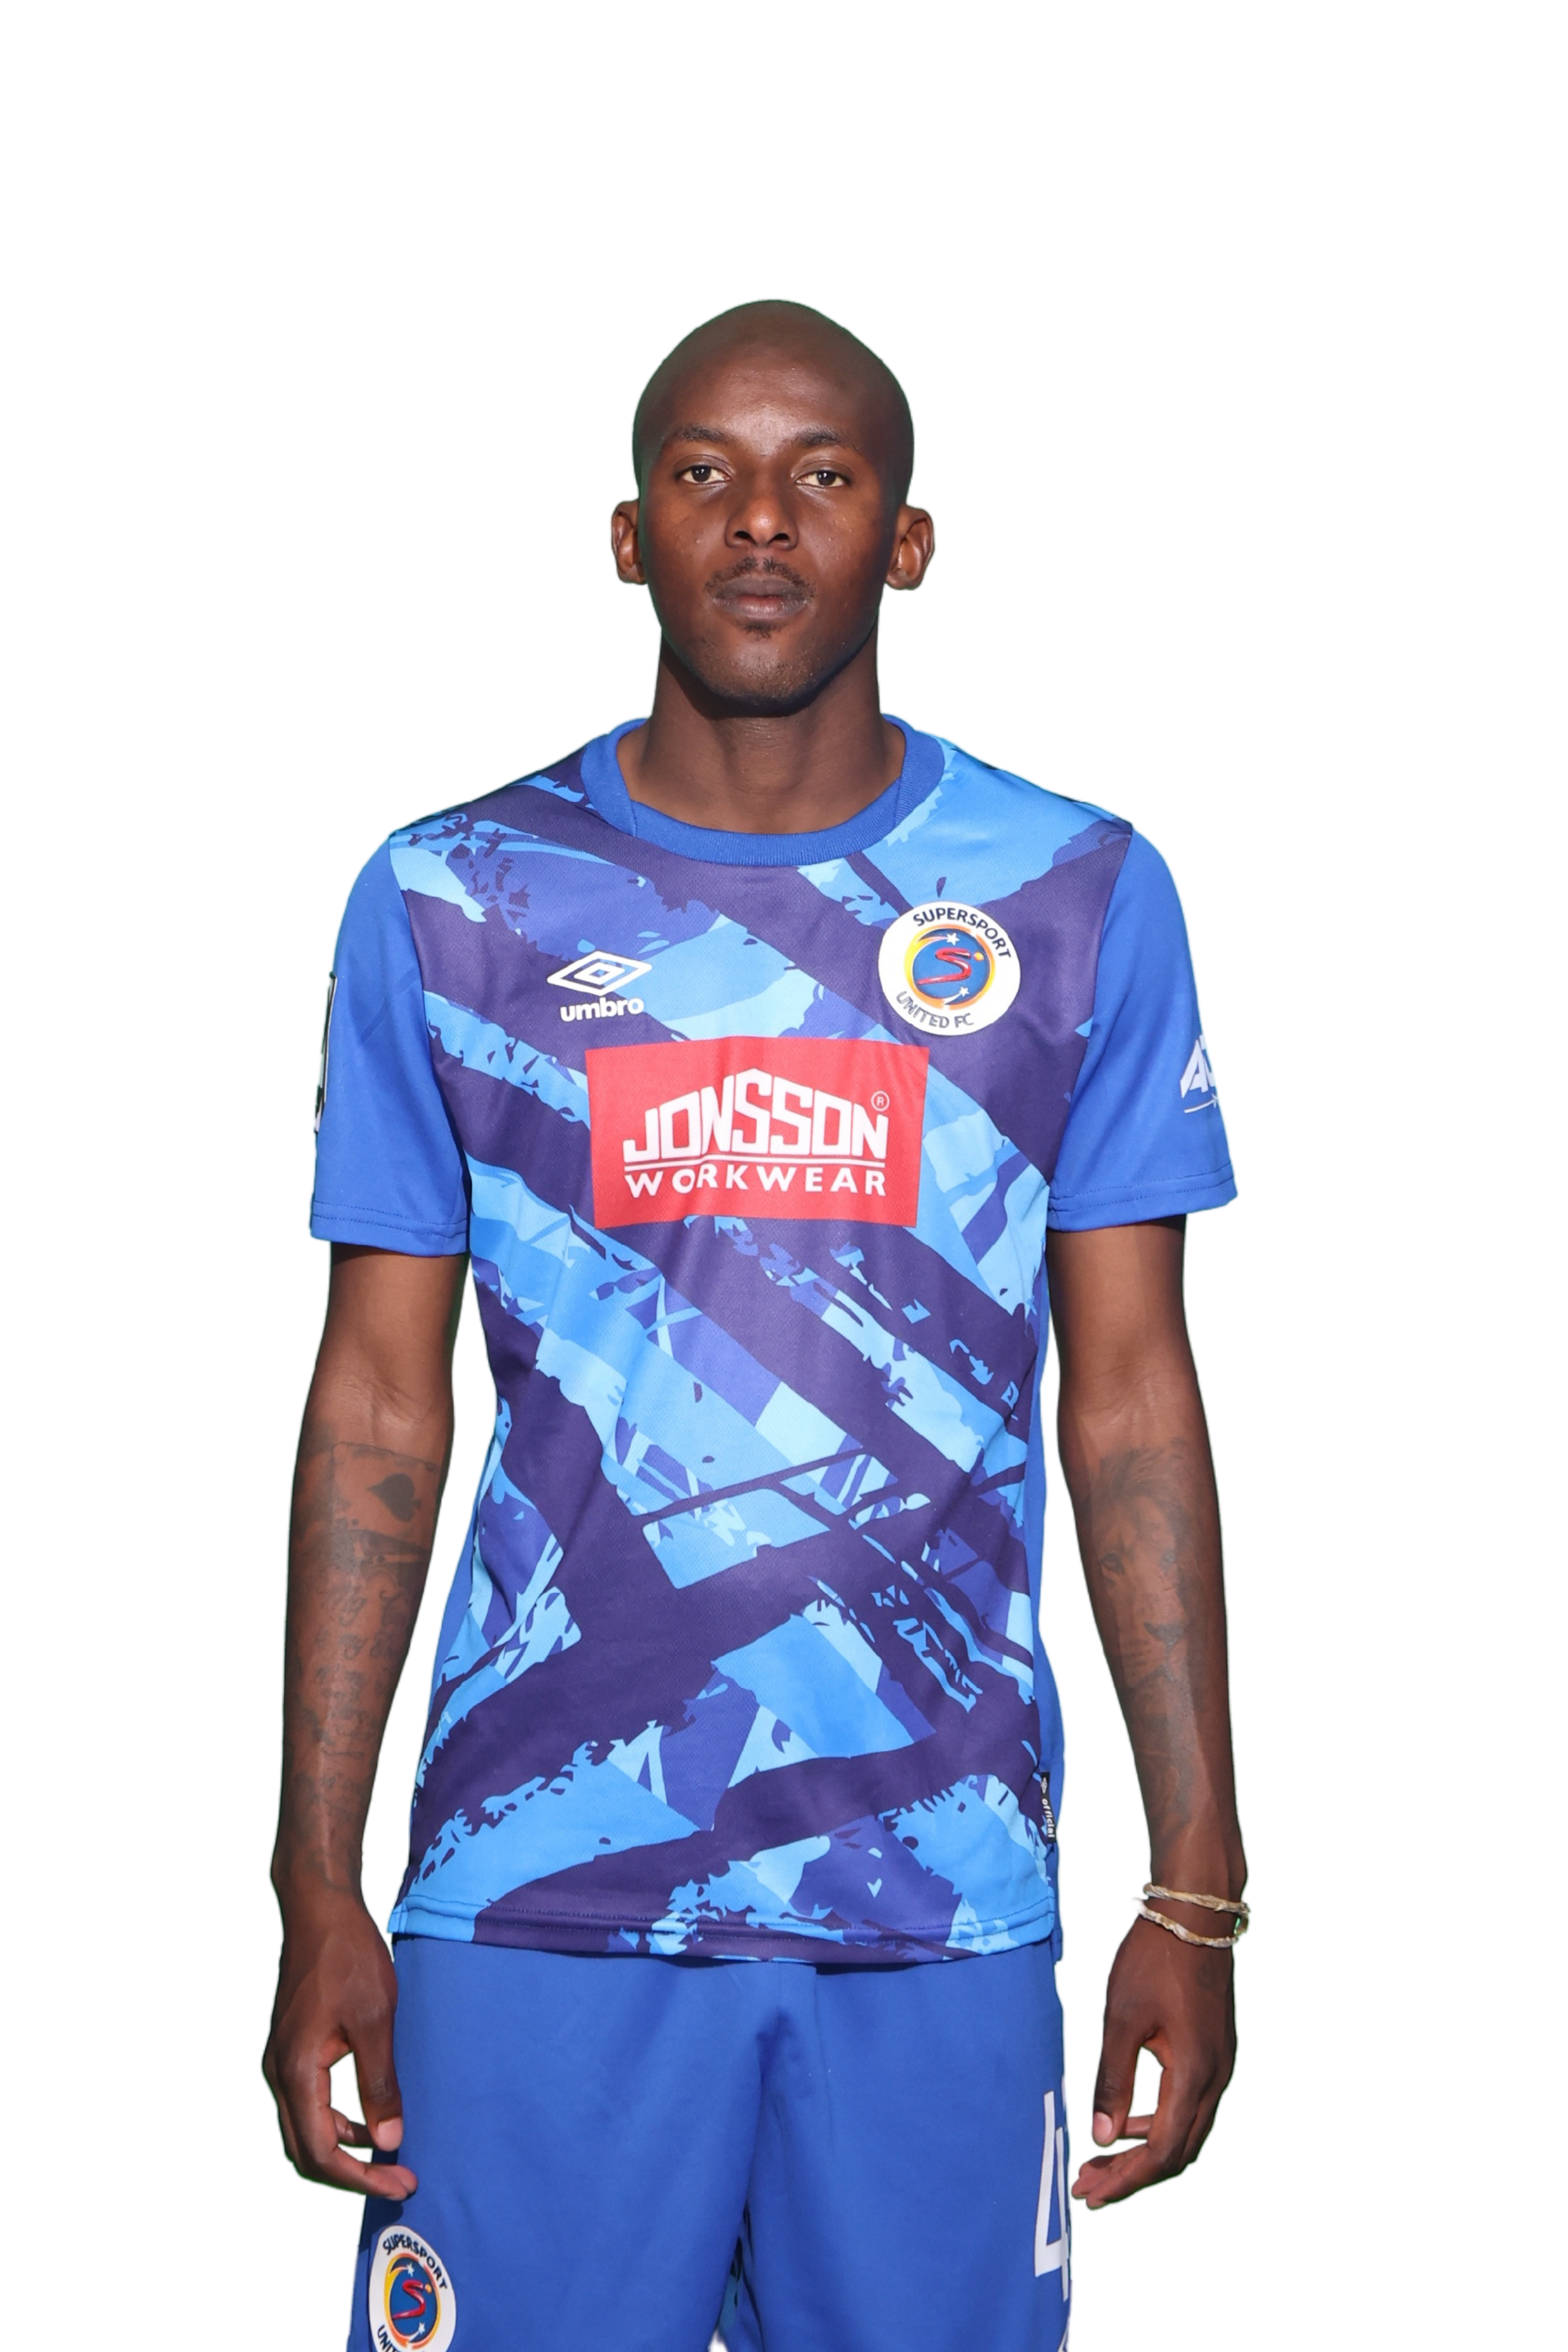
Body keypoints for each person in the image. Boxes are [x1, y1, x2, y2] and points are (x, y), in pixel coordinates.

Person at [263, 298, 1247, 2352]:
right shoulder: (452, 896)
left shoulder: (1076, 888)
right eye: (705, 472)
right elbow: (377, 1412)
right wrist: (314, 1880)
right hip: (532, 1891)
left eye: (825, 474)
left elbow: (1134, 1402)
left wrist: (1198, 1880)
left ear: (910, 540)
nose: (763, 520)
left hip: (946, 1895)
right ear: (630, 535)